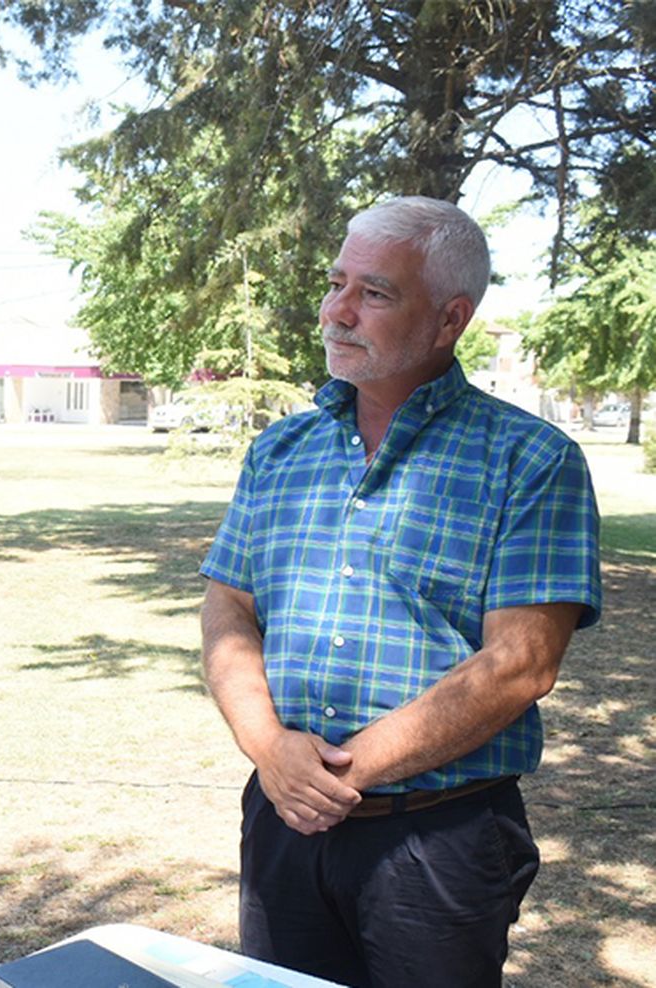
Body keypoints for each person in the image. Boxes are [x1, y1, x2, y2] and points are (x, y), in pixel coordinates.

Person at [199, 196, 601, 986]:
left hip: (437, 841)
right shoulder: (281, 450)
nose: (338, 311)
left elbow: (521, 665)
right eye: (337, 282)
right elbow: (229, 608)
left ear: (449, 320)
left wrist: (336, 774)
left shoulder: (531, 460)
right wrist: (269, 750)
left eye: (374, 293)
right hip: (284, 819)